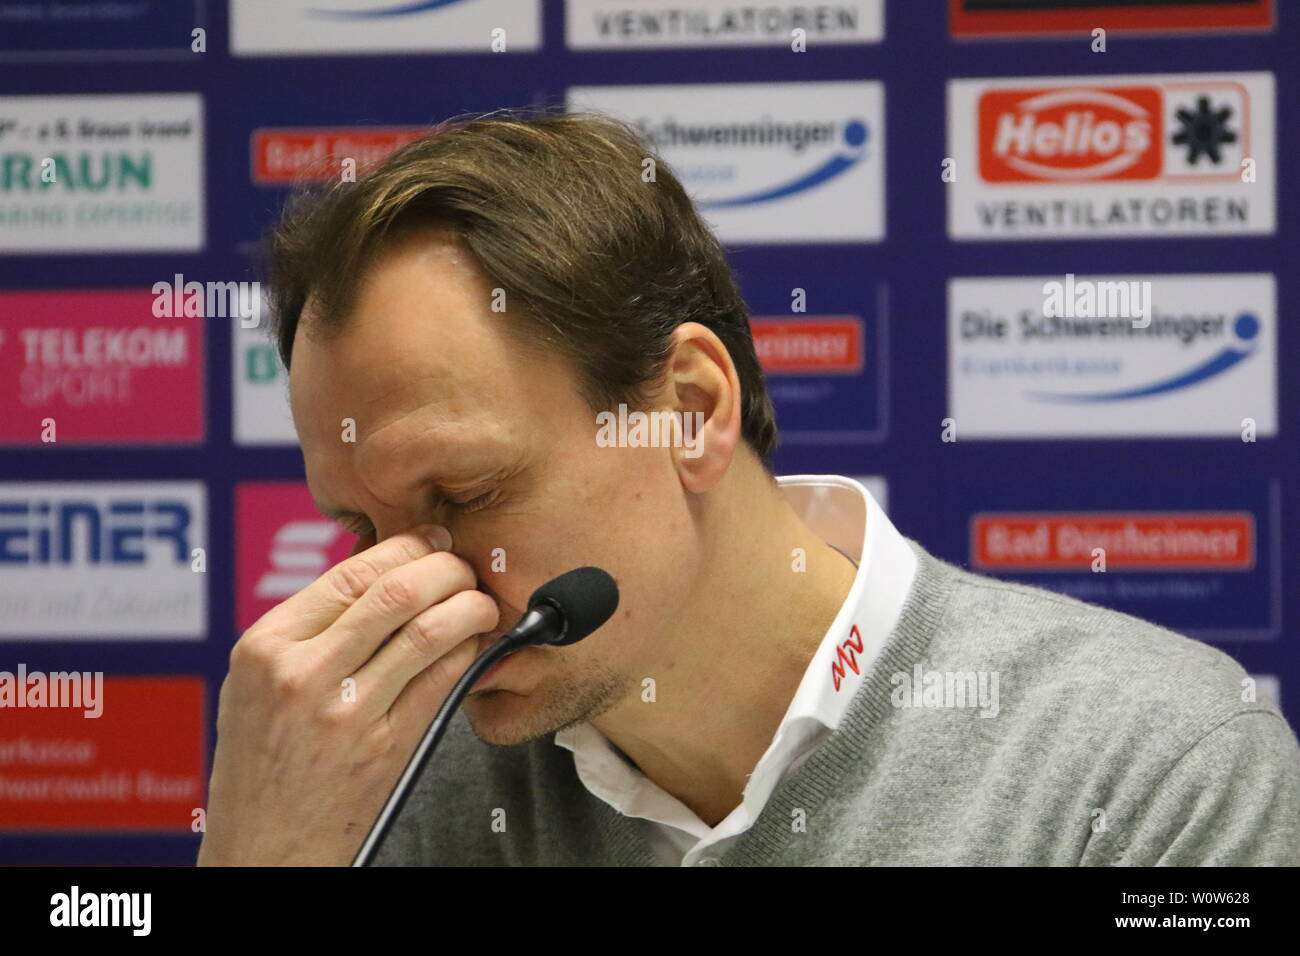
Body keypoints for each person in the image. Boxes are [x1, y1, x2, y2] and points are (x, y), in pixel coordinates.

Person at [196, 109, 1300, 866]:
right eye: (361, 526)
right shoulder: (388, 790)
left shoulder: (1153, 765)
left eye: (470, 491)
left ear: (688, 406)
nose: (423, 593)